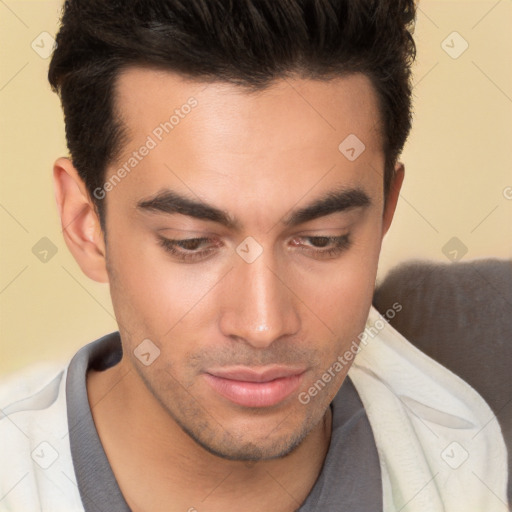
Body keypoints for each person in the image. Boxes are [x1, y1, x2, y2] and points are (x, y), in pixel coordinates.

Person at [0, 1, 508, 511]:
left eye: (322, 239)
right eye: (191, 243)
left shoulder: (460, 461)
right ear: (87, 225)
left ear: (383, 214)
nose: (263, 325)